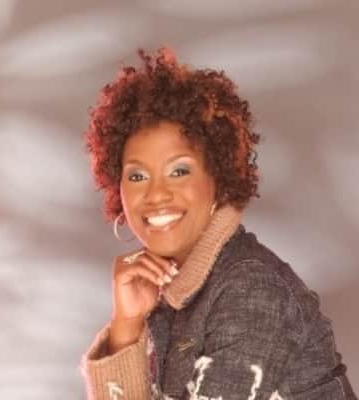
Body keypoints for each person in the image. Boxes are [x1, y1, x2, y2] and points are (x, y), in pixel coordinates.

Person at [80, 47, 357, 400]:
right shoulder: (170, 293)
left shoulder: (251, 288)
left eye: (179, 171)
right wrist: (127, 326)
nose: (156, 193)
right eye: (137, 176)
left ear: (218, 178)